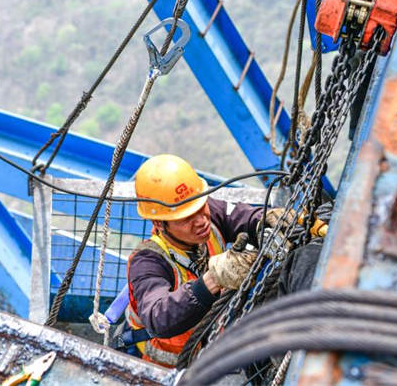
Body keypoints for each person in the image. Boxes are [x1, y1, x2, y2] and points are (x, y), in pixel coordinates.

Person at [120, 154, 293, 367]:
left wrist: (268, 219)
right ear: (160, 222)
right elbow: (158, 318)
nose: (201, 221)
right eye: (186, 219)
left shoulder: (204, 210)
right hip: (157, 370)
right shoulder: (148, 261)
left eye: (201, 207)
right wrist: (214, 279)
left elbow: (242, 217)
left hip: (205, 357)